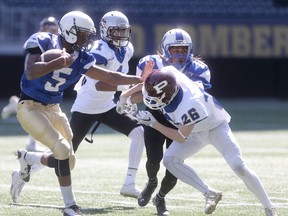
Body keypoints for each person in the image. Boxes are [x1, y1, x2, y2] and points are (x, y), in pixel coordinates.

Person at [10, 10, 151, 216]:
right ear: (70, 31)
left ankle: (29, 159)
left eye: (87, 34)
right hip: (31, 106)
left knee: (69, 160)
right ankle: (70, 206)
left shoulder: (82, 56)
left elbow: (110, 77)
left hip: (54, 108)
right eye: (83, 34)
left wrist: (139, 80)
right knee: (62, 150)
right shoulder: (44, 41)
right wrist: (57, 63)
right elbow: (31, 72)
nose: (87, 39)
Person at [135, 66, 277, 216]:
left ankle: (269, 207)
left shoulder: (190, 103)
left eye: (156, 97)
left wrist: (153, 124)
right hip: (195, 131)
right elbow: (148, 85)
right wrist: (125, 96)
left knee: (238, 166)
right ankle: (209, 192)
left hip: (215, 128)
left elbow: (181, 137)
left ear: (168, 95)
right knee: (170, 159)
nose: (150, 98)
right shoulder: (170, 74)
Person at [117, 28, 212, 216]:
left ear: (190, 50)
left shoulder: (198, 68)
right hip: (155, 115)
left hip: (179, 119)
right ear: (165, 49)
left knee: (173, 165)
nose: (180, 54)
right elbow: (138, 97)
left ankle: (160, 198)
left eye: (183, 49)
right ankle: (151, 182)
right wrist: (134, 91)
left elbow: (200, 99)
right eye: (175, 50)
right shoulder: (151, 62)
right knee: (153, 159)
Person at [69, 11, 144, 198]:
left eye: (124, 31)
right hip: (85, 107)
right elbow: (102, 84)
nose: (121, 35)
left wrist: (126, 95)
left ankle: (129, 183)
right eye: (116, 31)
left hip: (107, 106)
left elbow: (115, 82)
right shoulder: (99, 49)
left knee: (139, 133)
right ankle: (30, 160)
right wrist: (132, 85)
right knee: (64, 155)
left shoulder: (127, 49)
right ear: (105, 31)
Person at [1, 16, 59, 152]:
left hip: (44, 81)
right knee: (38, 111)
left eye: (53, 28)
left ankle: (15, 105)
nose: (51, 31)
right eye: (48, 28)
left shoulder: (54, 42)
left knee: (39, 113)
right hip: (37, 81)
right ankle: (32, 144)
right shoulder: (39, 41)